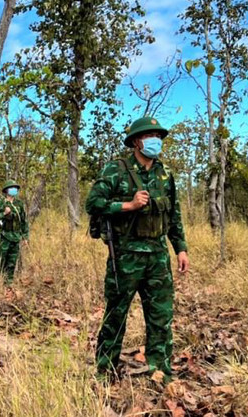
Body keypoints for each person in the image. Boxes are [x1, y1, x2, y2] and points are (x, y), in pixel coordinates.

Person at [84, 116, 190, 383]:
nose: (155, 140)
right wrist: (127, 206)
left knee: (161, 317)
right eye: (149, 135)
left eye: (158, 135)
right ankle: (104, 371)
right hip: (125, 256)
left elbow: (173, 214)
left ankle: (160, 372)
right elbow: (93, 203)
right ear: (135, 141)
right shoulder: (116, 170)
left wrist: (180, 248)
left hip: (157, 257)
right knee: (116, 315)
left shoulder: (164, 174)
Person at [0, 180, 29, 286]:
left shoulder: (19, 204)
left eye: (15, 188)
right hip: (3, 237)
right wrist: (4, 213)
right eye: (12, 188)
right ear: (6, 190)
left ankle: (9, 283)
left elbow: (24, 221)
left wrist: (25, 237)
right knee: (0, 260)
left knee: (12, 261)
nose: (14, 190)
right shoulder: (0, 203)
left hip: (16, 237)